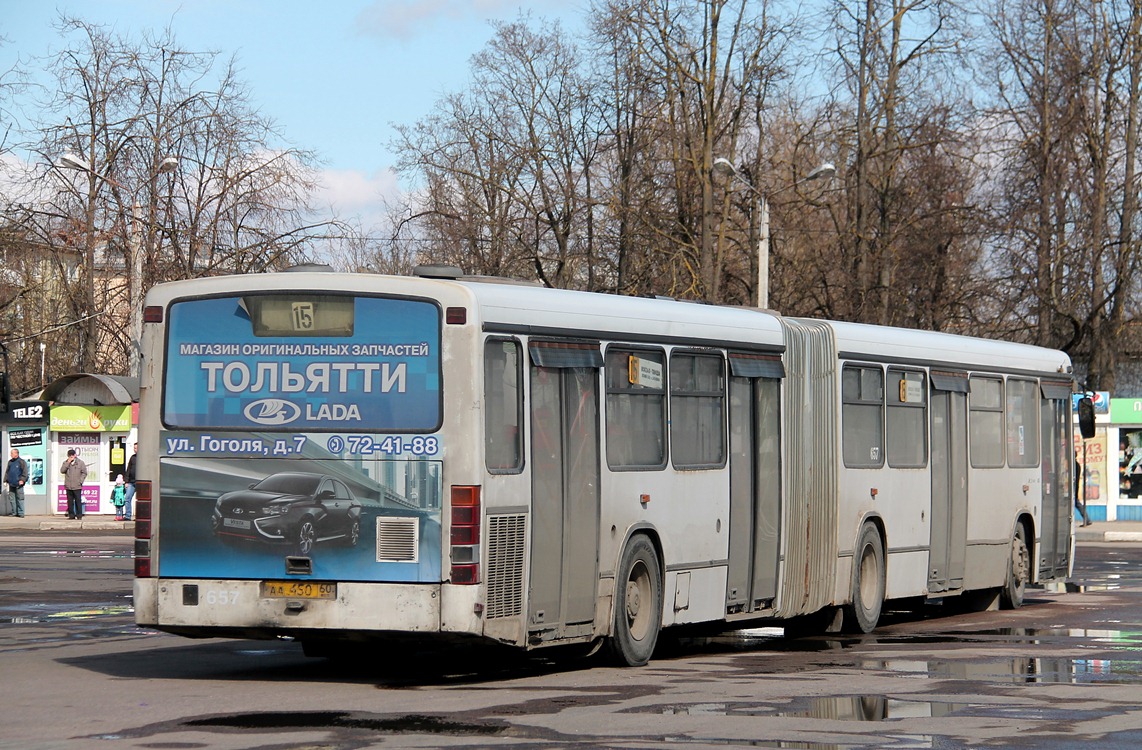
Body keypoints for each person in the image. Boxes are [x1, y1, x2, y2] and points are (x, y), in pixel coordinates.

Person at [60, 449, 88, 519]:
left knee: (78, 501)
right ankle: (71, 515)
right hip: (68, 485)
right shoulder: (65, 463)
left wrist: (80, 481)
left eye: (73, 455)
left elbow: (84, 472)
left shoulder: (80, 463)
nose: (71, 457)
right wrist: (68, 462)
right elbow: (62, 471)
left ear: (75, 455)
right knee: (70, 501)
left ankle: (79, 515)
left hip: (77, 485)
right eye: (70, 456)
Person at [4, 448, 28, 518]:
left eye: (12, 453)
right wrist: (5, 480)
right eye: (11, 453)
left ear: (16, 453)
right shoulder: (10, 462)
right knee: (12, 499)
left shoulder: (21, 462)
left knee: (20, 498)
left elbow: (25, 472)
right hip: (11, 483)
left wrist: (22, 480)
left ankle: (21, 513)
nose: (11, 455)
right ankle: (14, 512)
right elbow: (7, 472)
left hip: (19, 484)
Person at [1075, 446, 1091, 527]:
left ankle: (1087, 519)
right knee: (1076, 503)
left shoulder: (1074, 465)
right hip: (1075, 487)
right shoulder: (1076, 464)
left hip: (1073, 488)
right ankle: (1087, 519)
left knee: (1076, 503)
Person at [123, 442, 138, 521]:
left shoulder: (144, 458)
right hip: (131, 482)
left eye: (136, 448)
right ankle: (128, 515)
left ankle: (138, 516)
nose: (135, 450)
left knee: (139, 500)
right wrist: (126, 481)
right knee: (127, 498)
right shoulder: (133, 457)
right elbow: (128, 469)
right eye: (134, 448)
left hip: (140, 482)